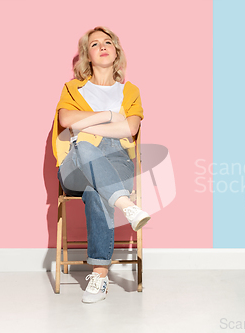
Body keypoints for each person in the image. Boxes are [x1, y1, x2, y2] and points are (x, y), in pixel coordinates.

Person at [52, 26, 151, 304]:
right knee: (82, 144)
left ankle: (99, 275)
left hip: (117, 159)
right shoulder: (73, 88)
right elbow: (66, 122)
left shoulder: (130, 91)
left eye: (108, 42)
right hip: (74, 165)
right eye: (95, 44)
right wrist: (110, 115)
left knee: (97, 191)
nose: (103, 46)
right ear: (88, 55)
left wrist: (90, 124)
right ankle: (126, 206)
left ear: (116, 51)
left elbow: (129, 130)